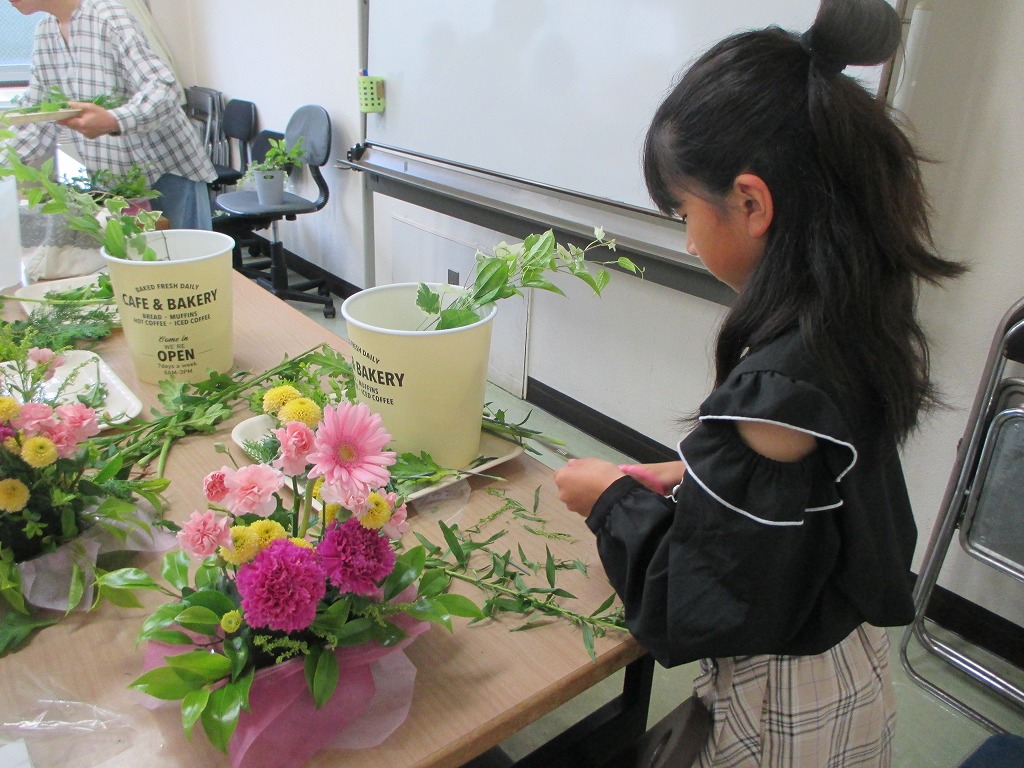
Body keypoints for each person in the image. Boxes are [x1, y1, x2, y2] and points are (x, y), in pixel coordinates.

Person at [553, 0, 966, 765]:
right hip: (853, 675)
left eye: (683, 211)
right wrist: (695, 476)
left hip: (783, 712)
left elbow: (694, 602)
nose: (684, 235)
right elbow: (811, 500)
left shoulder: (777, 395)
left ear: (750, 202)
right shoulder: (856, 308)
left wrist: (608, 502)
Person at [8, 0, 216, 230]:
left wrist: (114, 120)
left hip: (166, 173)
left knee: (184, 262)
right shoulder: (45, 34)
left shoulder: (107, 15)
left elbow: (164, 89)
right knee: (132, 262)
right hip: (116, 186)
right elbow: (38, 119)